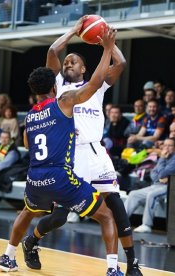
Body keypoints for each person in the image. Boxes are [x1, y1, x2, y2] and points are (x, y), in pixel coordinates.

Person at [0, 25, 122, 276]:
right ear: (54, 86)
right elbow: (95, 82)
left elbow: (26, 144)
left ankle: (7, 256)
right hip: (61, 176)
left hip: (34, 177)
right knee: (107, 216)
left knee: (28, 211)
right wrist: (107, 48)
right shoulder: (63, 103)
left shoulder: (30, 116)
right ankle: (112, 269)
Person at [25, 17, 141, 275]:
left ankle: (129, 264)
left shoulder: (97, 84)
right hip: (68, 155)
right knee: (59, 217)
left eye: (73, 61)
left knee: (115, 205)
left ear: (84, 69)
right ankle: (31, 240)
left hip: (96, 152)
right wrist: (75, 31)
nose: (67, 63)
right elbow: (53, 51)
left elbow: (120, 63)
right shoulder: (58, 87)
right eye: (67, 62)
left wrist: (106, 43)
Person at [124, 138, 175, 233]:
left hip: (172, 187)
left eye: (170, 146)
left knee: (152, 195)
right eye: (165, 145)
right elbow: (153, 174)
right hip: (157, 185)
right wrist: (161, 177)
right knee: (133, 194)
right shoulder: (165, 158)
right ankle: (120, 221)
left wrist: (162, 160)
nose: (167, 148)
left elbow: (161, 173)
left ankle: (146, 225)